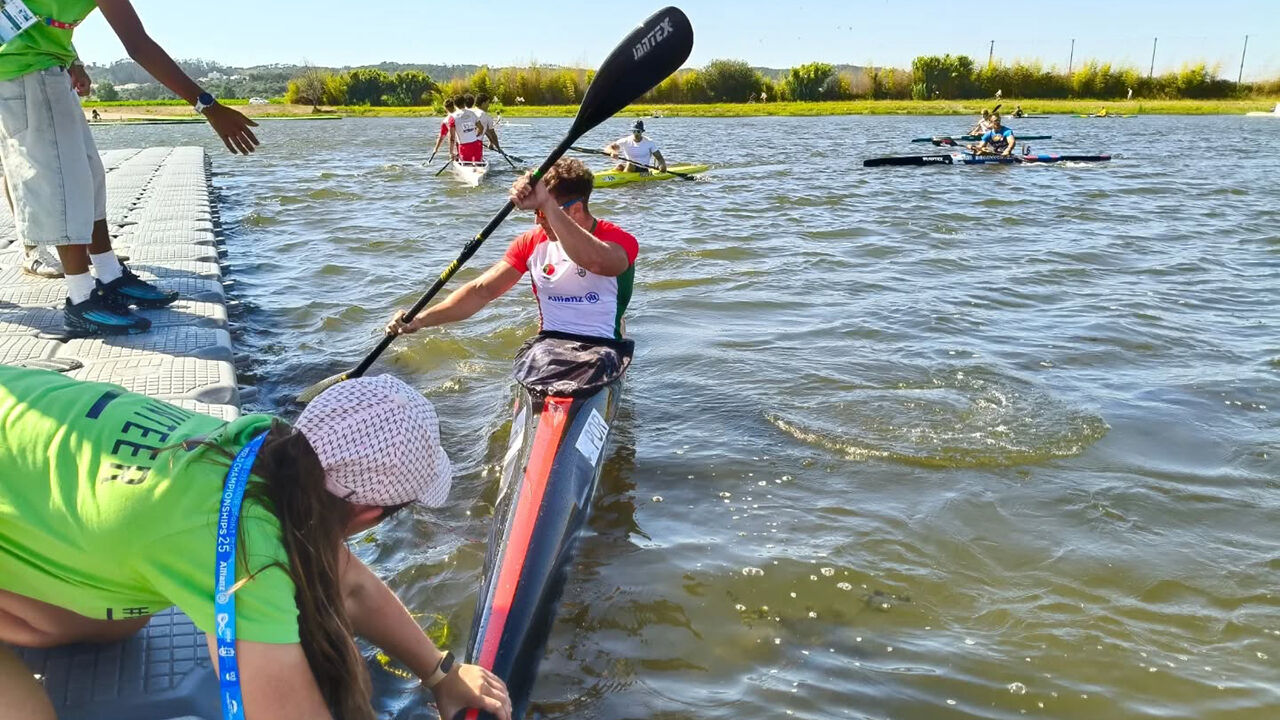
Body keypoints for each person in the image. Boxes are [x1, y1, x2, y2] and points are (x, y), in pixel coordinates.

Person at [0, 366, 513, 720]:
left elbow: (350, 584)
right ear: (371, 513)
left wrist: (440, 672)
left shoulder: (259, 444)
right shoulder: (248, 560)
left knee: (121, 620)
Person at [0, 1, 260, 336]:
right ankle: (82, 300)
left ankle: (109, 276)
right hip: (21, 74)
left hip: (51, 68)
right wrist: (208, 106)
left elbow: (43, 18)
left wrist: (73, 58)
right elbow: (137, 46)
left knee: (88, 179)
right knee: (64, 187)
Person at [387, 158, 637, 343]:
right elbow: (480, 292)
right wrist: (419, 320)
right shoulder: (530, 243)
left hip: (603, 346)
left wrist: (546, 204)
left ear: (575, 210)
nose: (537, 221)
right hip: (550, 345)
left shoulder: (618, 240)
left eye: (541, 212)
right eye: (536, 212)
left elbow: (598, 263)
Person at [448, 93, 483, 164]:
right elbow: (481, 128)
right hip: (475, 145)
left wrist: (451, 152)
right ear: (464, 102)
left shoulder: (452, 117)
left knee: (467, 165)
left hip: (464, 147)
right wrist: (475, 136)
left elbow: (452, 138)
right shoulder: (472, 114)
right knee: (478, 165)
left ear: (455, 105)